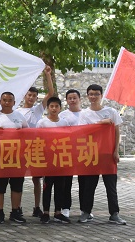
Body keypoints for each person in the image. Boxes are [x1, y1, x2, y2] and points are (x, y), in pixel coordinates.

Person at [78, 84, 126, 225]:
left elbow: (116, 132)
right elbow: (84, 132)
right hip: (91, 155)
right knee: (89, 186)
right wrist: (101, 123)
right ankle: (86, 212)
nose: (93, 97)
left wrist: (116, 151)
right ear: (87, 96)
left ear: (101, 95)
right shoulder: (84, 114)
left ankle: (114, 214)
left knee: (111, 186)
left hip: (108, 155)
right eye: (91, 94)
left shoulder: (111, 112)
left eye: (96, 94)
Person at [15, 66, 55, 218]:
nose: (31, 98)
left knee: (36, 179)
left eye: (34, 96)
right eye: (29, 95)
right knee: (18, 179)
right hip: (21, 148)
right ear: (25, 96)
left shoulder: (38, 109)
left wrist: (48, 75)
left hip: (37, 148)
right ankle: (17, 207)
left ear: (37, 98)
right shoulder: (17, 112)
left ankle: (37, 207)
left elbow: (51, 93)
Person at [0, 91, 29, 224]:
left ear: (14, 103)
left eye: (10, 100)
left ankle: (15, 212)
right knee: (0, 186)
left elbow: (28, 134)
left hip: (17, 157)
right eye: (4, 100)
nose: (7, 102)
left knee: (17, 186)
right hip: (0, 157)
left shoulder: (20, 117)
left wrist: (21, 134)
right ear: (0, 102)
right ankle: (0, 212)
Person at [36, 96, 69, 224]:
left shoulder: (64, 123)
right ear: (48, 108)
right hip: (48, 160)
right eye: (51, 106)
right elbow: (37, 140)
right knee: (47, 187)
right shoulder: (42, 123)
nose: (54, 109)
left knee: (60, 187)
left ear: (60, 108)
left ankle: (58, 212)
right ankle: (45, 212)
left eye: (56, 106)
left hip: (61, 159)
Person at [56, 89, 83, 220]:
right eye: (69, 98)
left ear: (79, 99)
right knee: (66, 182)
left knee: (85, 182)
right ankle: (65, 208)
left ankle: (85, 209)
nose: (72, 100)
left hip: (83, 152)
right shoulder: (62, 115)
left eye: (74, 98)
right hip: (67, 152)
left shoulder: (86, 114)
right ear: (66, 100)